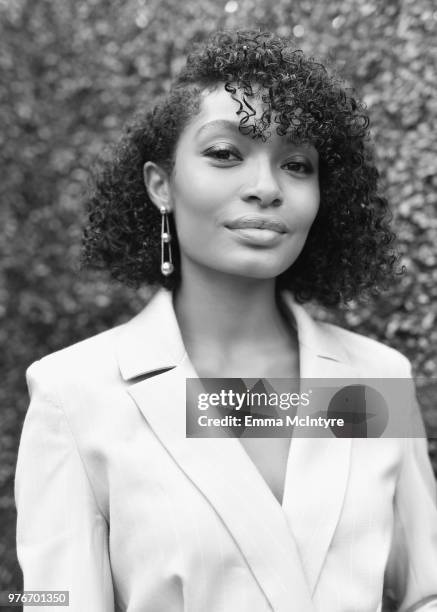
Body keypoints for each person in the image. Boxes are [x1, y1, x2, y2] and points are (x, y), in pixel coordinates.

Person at [15, 28, 437, 612]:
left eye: (295, 164)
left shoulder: (376, 377)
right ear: (160, 185)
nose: (266, 188)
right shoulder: (73, 392)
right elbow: (50, 602)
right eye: (225, 154)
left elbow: (427, 591)